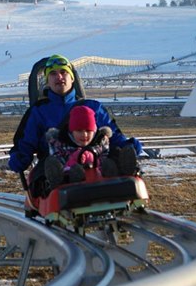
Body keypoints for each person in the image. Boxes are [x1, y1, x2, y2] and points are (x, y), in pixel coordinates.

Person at [8, 54, 142, 195]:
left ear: (72, 78)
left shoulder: (93, 107)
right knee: (46, 169)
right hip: (57, 160)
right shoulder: (38, 112)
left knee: (113, 156)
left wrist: (128, 146)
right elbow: (25, 141)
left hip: (96, 159)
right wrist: (20, 157)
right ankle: (59, 180)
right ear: (47, 81)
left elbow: (113, 135)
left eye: (63, 72)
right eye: (53, 74)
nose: (59, 77)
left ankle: (122, 173)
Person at [44, 105, 122, 189]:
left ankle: (124, 170)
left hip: (98, 174)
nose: (84, 135)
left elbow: (104, 155)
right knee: (52, 162)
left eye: (88, 131)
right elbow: (58, 158)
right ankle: (66, 179)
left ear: (94, 130)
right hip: (68, 177)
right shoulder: (61, 143)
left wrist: (98, 164)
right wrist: (71, 165)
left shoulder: (100, 141)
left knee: (115, 153)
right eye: (79, 131)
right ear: (72, 131)